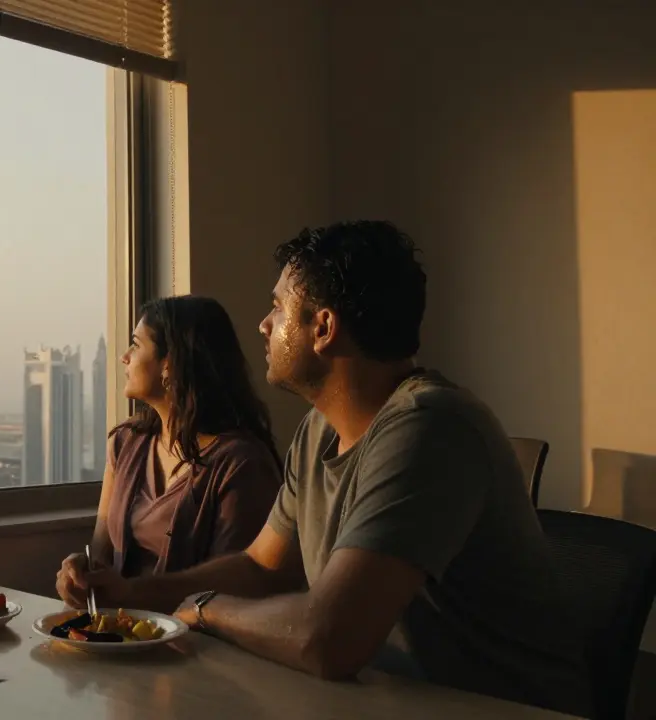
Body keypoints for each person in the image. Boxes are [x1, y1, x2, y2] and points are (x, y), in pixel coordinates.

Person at [65, 222, 590, 715]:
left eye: (278, 308)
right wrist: (129, 594)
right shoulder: (319, 430)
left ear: (323, 327)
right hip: (381, 701)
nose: (263, 324)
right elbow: (262, 567)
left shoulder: (429, 428)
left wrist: (204, 608)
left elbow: (329, 639)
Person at [55, 295, 282, 608]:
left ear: (170, 363)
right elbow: (101, 551)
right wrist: (80, 570)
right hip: (118, 628)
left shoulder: (240, 463)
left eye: (136, 345)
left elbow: (234, 588)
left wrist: (133, 594)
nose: (124, 357)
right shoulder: (125, 442)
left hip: (194, 634)